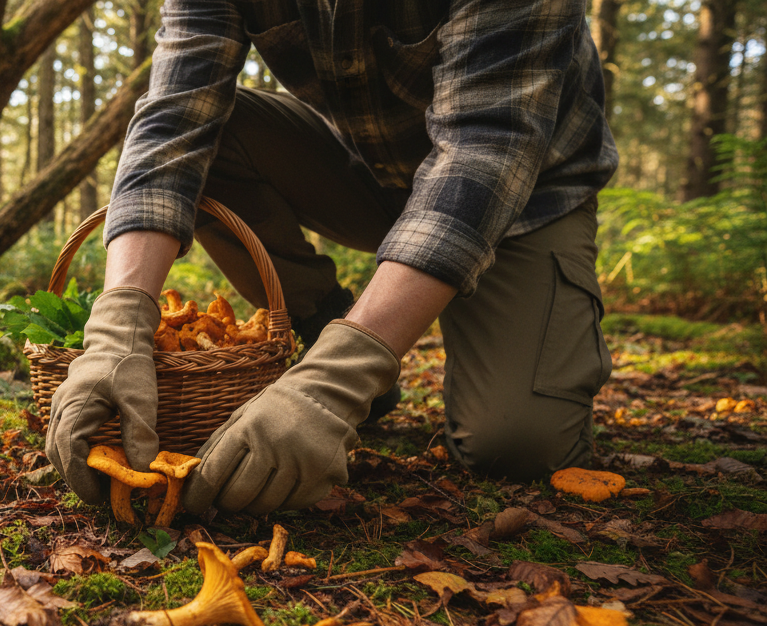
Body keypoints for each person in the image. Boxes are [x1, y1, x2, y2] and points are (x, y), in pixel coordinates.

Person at [47, 0, 618, 516]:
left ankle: (347, 356)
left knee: (515, 446)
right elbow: (174, 119)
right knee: (207, 137)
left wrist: (339, 378)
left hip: (524, 191)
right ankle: (325, 325)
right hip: (362, 166)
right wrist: (118, 325)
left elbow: (486, 146)